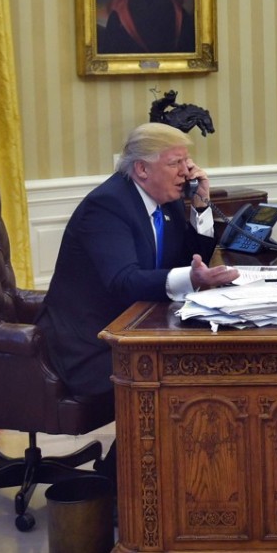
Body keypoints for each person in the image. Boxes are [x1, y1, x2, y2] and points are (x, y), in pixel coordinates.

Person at [36, 123, 239, 480]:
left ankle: (168, 481)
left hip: (134, 332)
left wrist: (202, 204)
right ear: (142, 169)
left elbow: (187, 258)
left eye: (188, 161)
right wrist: (192, 279)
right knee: (175, 383)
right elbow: (123, 280)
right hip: (89, 346)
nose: (187, 171)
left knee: (200, 370)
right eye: (176, 162)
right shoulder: (108, 206)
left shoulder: (168, 200)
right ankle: (123, 486)